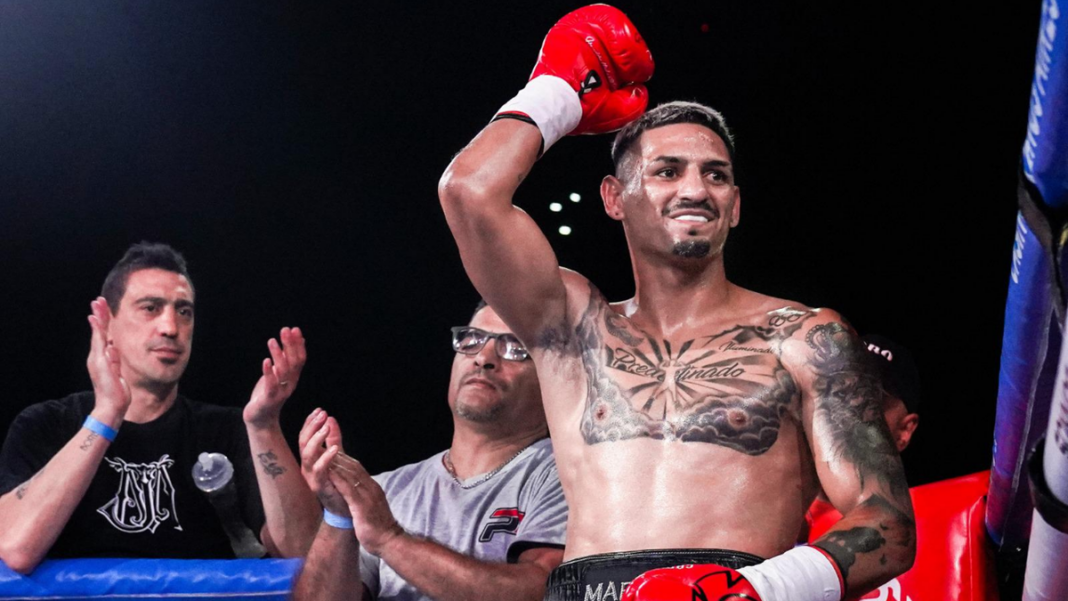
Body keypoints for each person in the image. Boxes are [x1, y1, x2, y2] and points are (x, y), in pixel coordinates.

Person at [436, 5, 916, 601]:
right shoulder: (573, 324)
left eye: (716, 176)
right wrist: (557, 91)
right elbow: (469, 192)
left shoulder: (803, 336)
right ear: (615, 198)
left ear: (735, 205)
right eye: (667, 171)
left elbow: (887, 523)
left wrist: (751, 591)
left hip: (743, 586)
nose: (695, 189)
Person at [0, 242, 319, 573]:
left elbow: (305, 552)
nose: (171, 327)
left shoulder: (227, 430)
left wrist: (265, 426)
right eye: (150, 307)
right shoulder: (46, 425)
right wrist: (106, 414)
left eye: (184, 311)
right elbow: (14, 549)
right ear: (107, 324)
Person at [292, 303, 567, 601]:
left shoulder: (570, 475)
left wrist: (391, 539)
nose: (483, 358)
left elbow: (547, 591)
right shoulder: (384, 490)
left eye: (514, 347)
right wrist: (339, 515)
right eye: (472, 340)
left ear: (553, 381)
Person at [804, 334, 922, 539]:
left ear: (904, 431)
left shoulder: (934, 530)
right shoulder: (754, 519)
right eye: (835, 393)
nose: (845, 412)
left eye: (868, 402)